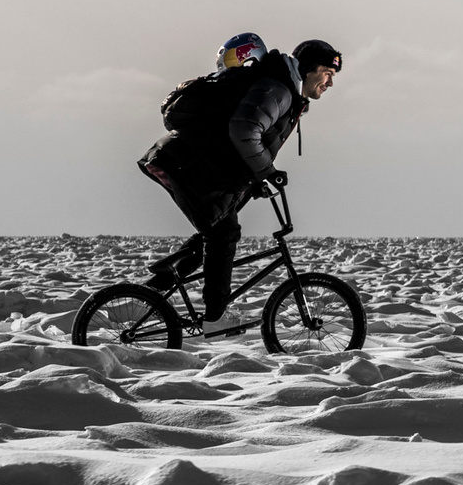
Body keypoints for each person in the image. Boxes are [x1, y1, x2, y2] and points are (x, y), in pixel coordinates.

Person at [139, 37, 343, 335]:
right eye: (328, 73)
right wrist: (267, 172)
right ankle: (213, 317)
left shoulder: (283, 90)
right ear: (310, 68)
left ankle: (152, 290)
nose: (330, 82)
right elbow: (244, 130)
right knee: (223, 233)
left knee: (217, 231)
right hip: (189, 165)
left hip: (193, 166)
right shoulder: (279, 89)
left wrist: (257, 180)